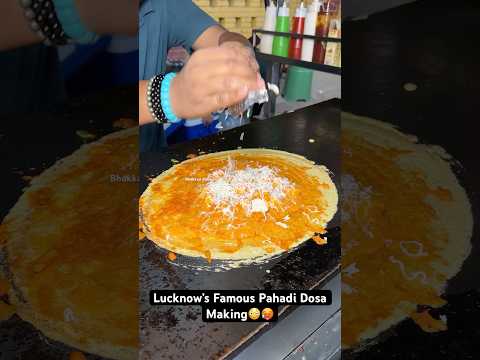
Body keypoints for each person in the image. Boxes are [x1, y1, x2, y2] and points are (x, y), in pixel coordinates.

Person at [138, 0, 265, 152]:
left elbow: (221, 36)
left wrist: (237, 51)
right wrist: (166, 96)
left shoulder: (163, 5)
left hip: (151, 158)